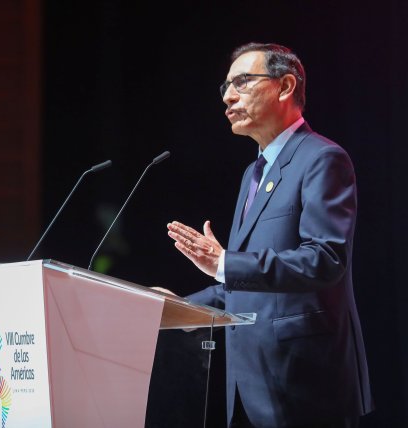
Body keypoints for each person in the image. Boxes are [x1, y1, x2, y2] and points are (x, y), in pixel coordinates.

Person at [165, 43, 373, 427]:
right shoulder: (253, 174)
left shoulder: (322, 158)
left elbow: (325, 259)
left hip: (305, 383)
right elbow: (245, 284)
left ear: (285, 85)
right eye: (225, 86)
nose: (228, 96)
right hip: (248, 382)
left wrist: (224, 262)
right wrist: (180, 308)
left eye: (242, 82)